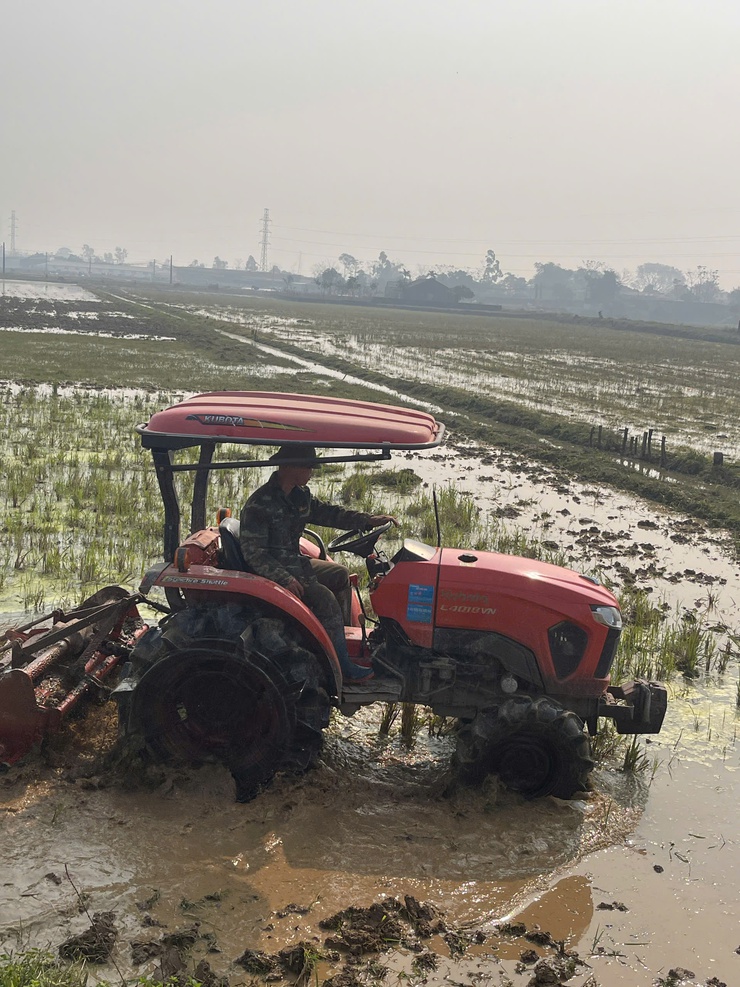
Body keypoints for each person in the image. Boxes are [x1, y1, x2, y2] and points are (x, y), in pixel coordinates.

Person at [239, 443, 397, 681]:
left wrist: (367, 520)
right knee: (325, 598)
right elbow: (253, 552)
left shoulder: (299, 496)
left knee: (340, 574)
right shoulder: (260, 504)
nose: (311, 472)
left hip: (296, 562)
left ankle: (340, 638)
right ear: (290, 467)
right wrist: (284, 578)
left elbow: (330, 513)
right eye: (308, 467)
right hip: (276, 570)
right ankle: (340, 667)